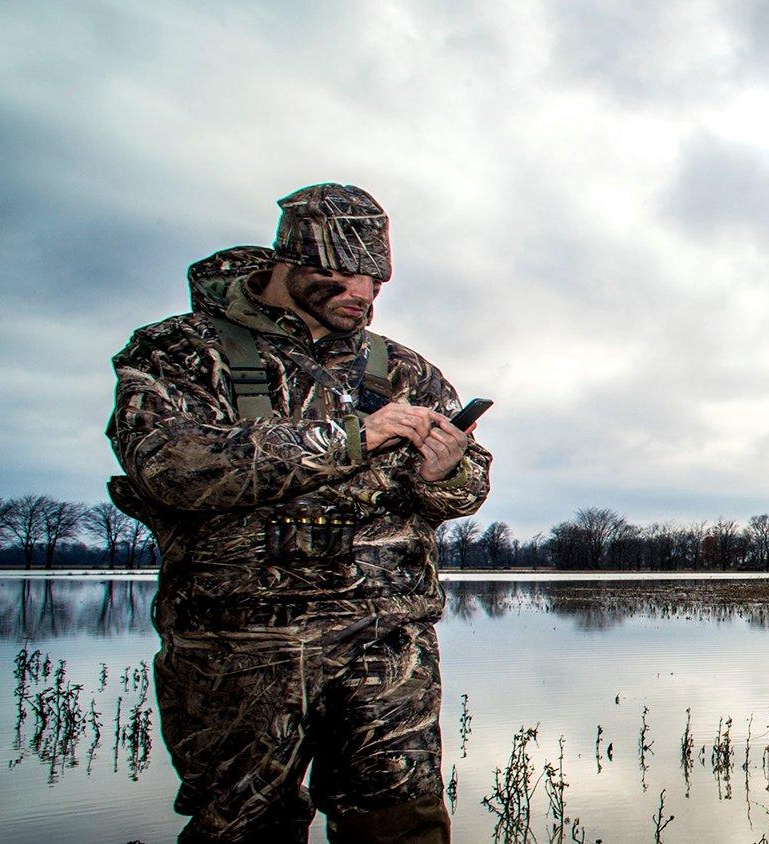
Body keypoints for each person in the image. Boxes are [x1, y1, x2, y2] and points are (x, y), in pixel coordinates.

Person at [107, 183, 491, 843]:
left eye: (375, 279)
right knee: (245, 828)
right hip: (239, 648)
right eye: (343, 275)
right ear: (289, 262)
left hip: (386, 643)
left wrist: (444, 470)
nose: (362, 294)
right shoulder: (181, 352)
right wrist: (354, 438)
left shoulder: (404, 370)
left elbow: (470, 486)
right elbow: (169, 466)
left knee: (402, 826)